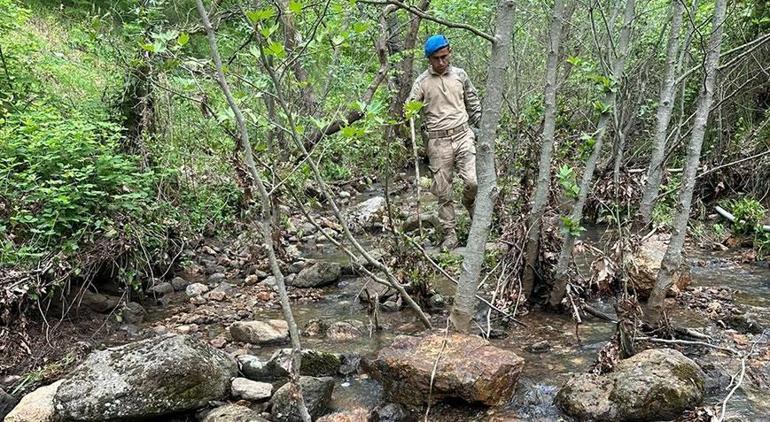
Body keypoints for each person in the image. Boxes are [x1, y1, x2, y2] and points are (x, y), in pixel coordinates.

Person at [406, 34, 481, 250]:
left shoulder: (460, 75)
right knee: (443, 192)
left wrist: (483, 125)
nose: (441, 62)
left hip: (463, 134)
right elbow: (409, 108)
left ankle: (469, 203)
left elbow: (473, 103)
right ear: (429, 59)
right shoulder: (422, 82)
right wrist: (410, 110)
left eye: (444, 57)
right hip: (438, 142)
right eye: (436, 58)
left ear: (449, 53)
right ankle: (450, 234)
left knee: (472, 182)